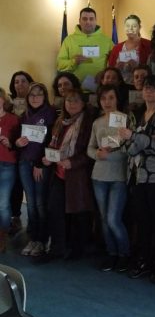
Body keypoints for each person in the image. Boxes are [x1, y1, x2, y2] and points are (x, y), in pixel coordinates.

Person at [120, 75, 155, 284]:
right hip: (137, 175)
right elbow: (125, 146)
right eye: (146, 88)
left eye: (153, 88)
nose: (149, 92)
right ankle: (144, 260)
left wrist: (134, 137)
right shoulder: (136, 114)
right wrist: (141, 140)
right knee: (142, 222)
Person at [42, 88, 95, 261]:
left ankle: (77, 250)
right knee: (54, 211)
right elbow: (54, 145)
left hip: (78, 176)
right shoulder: (60, 121)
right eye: (68, 100)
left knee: (78, 214)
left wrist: (73, 162)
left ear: (83, 103)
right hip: (59, 173)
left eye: (76, 100)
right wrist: (48, 157)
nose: (71, 104)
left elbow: (90, 151)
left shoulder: (88, 123)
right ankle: (56, 249)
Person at [87, 84, 130, 272]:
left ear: (117, 99)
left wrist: (109, 156)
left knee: (113, 219)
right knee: (104, 220)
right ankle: (112, 253)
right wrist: (97, 154)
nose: (107, 102)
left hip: (118, 176)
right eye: (103, 98)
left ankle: (125, 254)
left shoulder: (125, 120)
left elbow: (129, 149)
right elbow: (90, 148)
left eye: (111, 97)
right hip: (98, 176)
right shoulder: (97, 123)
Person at [16, 82, 56, 257]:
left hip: (40, 165)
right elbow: (17, 139)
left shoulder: (50, 113)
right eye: (32, 95)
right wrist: (17, 143)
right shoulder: (24, 115)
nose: (35, 98)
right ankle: (33, 238)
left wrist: (40, 164)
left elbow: (51, 140)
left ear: (44, 97)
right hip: (24, 162)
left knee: (40, 203)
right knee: (31, 203)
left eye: (39, 94)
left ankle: (42, 239)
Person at [57, 7, 114, 92]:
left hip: (100, 90)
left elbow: (114, 64)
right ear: (79, 21)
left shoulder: (107, 41)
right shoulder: (69, 40)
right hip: (75, 90)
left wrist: (104, 73)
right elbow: (59, 64)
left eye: (91, 19)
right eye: (84, 19)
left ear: (96, 21)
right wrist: (73, 62)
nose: (88, 22)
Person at [8, 70, 34, 234]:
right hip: (11, 153)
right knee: (14, 188)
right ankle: (15, 218)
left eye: (23, 81)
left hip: (30, 154)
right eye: (16, 82)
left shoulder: (36, 103)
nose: (20, 84)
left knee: (31, 191)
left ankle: (34, 223)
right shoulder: (7, 105)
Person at [0, 88, 20, 252]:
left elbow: (20, 144)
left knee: (3, 204)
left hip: (7, 164)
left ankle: (2, 237)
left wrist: (10, 143)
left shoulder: (14, 119)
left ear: (3, 100)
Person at [108, 14, 152, 85]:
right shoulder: (116, 48)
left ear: (139, 27)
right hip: (120, 86)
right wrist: (117, 67)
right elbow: (110, 69)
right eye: (127, 26)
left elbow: (153, 69)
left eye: (134, 26)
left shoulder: (149, 45)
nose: (130, 28)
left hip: (142, 85)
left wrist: (137, 67)